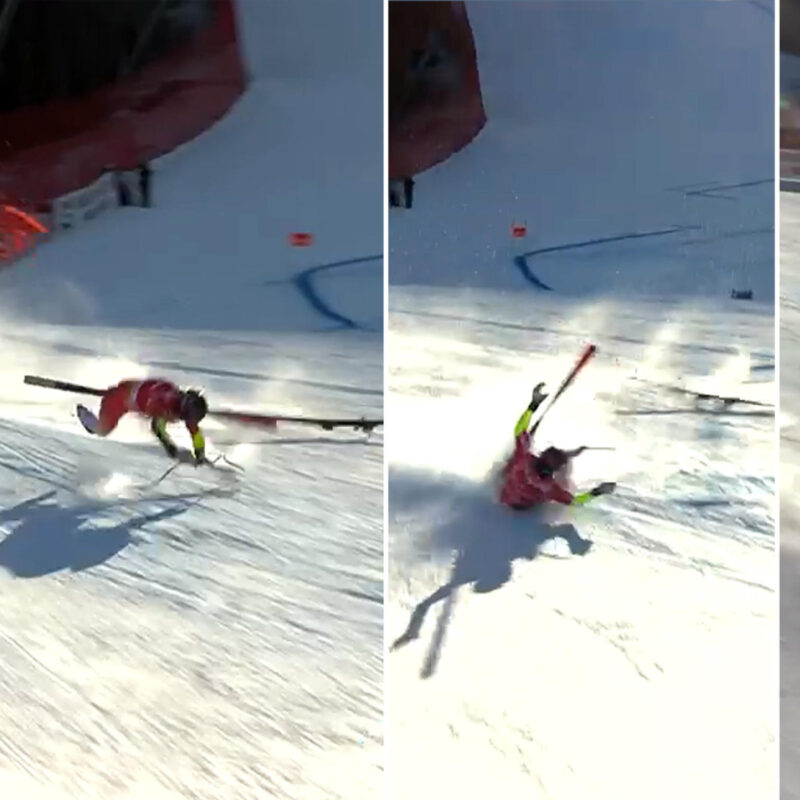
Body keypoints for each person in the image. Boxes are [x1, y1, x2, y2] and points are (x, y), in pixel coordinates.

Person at [498, 383, 615, 509]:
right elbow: (576, 502)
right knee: (564, 478)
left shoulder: (524, 459)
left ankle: (567, 456)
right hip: (516, 507)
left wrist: (533, 406)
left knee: (512, 459)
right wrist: (597, 492)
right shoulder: (550, 488)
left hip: (505, 499)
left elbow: (519, 430)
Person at [77, 378, 208, 463]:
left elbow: (195, 431)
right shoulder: (165, 404)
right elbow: (157, 426)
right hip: (118, 400)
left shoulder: (178, 402)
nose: (189, 422)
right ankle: (84, 415)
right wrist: (169, 445)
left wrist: (200, 451)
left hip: (134, 389)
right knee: (103, 430)